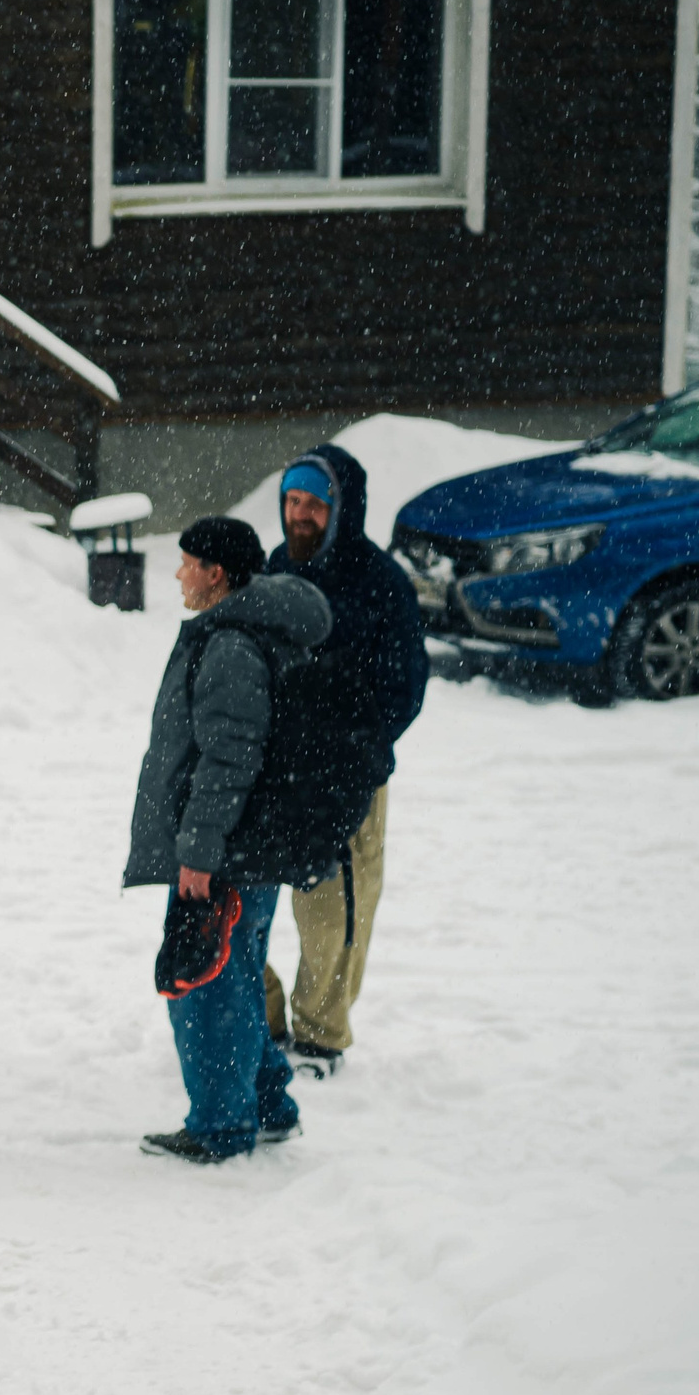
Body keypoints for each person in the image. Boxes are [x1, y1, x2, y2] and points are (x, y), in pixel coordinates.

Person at [125, 517, 330, 1163]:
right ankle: (266, 1106)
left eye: (188, 563)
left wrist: (199, 854)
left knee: (205, 986)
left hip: (227, 853)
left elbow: (228, 760)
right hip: (249, 848)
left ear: (216, 574)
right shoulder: (246, 632)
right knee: (234, 975)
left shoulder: (231, 645)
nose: (179, 573)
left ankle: (220, 1125)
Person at [259, 446, 428, 1078]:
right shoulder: (277, 569)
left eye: (315, 504)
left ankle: (321, 1034)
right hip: (279, 772)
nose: (300, 515)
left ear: (342, 509)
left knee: (333, 913)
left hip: (347, 777)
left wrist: (357, 750)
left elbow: (405, 687)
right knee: (244, 900)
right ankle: (264, 1018)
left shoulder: (381, 583)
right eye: (292, 501)